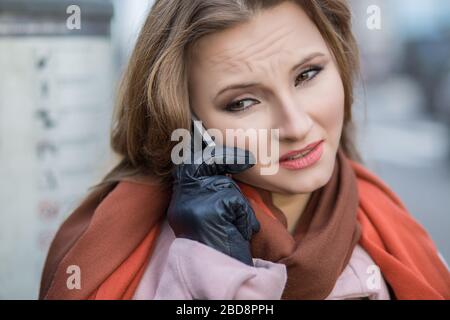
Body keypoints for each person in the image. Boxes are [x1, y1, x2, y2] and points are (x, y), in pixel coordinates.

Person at [39, 0, 450, 300]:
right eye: (243, 102)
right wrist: (211, 271)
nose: (295, 125)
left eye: (308, 74)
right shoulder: (119, 262)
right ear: (186, 120)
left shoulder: (395, 232)